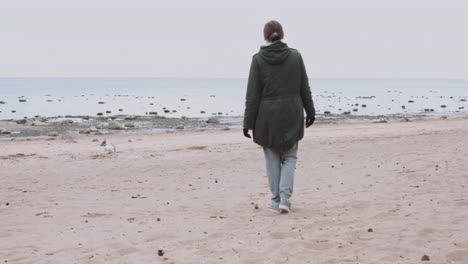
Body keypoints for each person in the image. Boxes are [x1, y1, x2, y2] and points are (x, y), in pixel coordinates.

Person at [243, 20, 316, 214]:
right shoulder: (295, 56)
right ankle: (285, 199)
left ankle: (276, 200)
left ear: (264, 36)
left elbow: (252, 95)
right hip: (292, 112)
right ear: (282, 35)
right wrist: (311, 111)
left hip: (267, 116)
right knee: (290, 157)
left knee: (272, 158)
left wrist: (247, 123)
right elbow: (304, 87)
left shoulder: (258, 59)